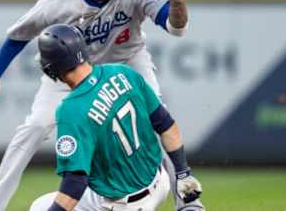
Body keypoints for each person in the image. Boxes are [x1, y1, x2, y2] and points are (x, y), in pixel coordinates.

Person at [0, 0, 205, 211]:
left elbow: (176, 27)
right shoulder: (57, 0)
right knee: (33, 128)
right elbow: (18, 35)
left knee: (157, 118)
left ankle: (188, 201)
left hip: (126, 62)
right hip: (71, 72)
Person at [29, 24, 202, 211]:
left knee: (41, 207)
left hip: (123, 205)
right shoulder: (123, 72)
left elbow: (75, 183)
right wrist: (183, 174)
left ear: (51, 68)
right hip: (160, 182)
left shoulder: (71, 110)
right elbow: (167, 126)